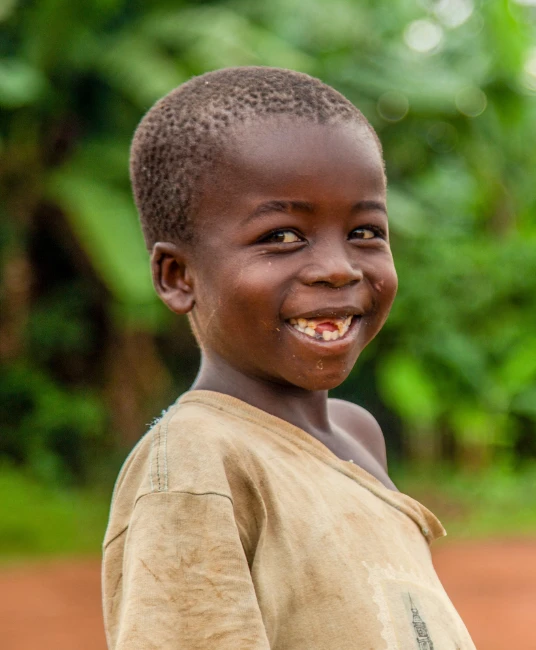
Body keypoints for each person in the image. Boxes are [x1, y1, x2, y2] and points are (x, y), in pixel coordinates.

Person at [102, 66, 476, 650]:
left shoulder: (359, 436)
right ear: (178, 276)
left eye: (365, 231)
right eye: (282, 236)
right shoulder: (198, 462)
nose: (339, 266)